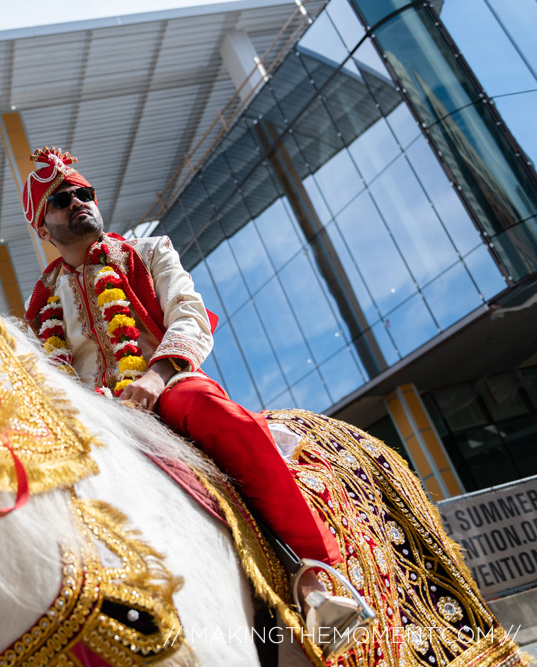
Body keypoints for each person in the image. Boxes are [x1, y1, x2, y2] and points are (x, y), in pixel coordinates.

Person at [21, 146, 371, 654]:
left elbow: (188, 312)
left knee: (210, 410)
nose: (78, 200)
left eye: (84, 192)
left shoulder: (148, 250)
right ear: (43, 228)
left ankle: (317, 577)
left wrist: (157, 376)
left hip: (163, 388)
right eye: (61, 199)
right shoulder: (39, 307)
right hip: (93, 418)